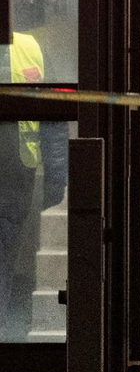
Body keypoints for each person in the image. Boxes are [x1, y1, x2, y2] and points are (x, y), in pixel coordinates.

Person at [0, 32, 68, 339]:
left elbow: (51, 114)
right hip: (17, 174)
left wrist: (55, 181)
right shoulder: (30, 47)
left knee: (8, 250)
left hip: (15, 175)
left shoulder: (30, 48)